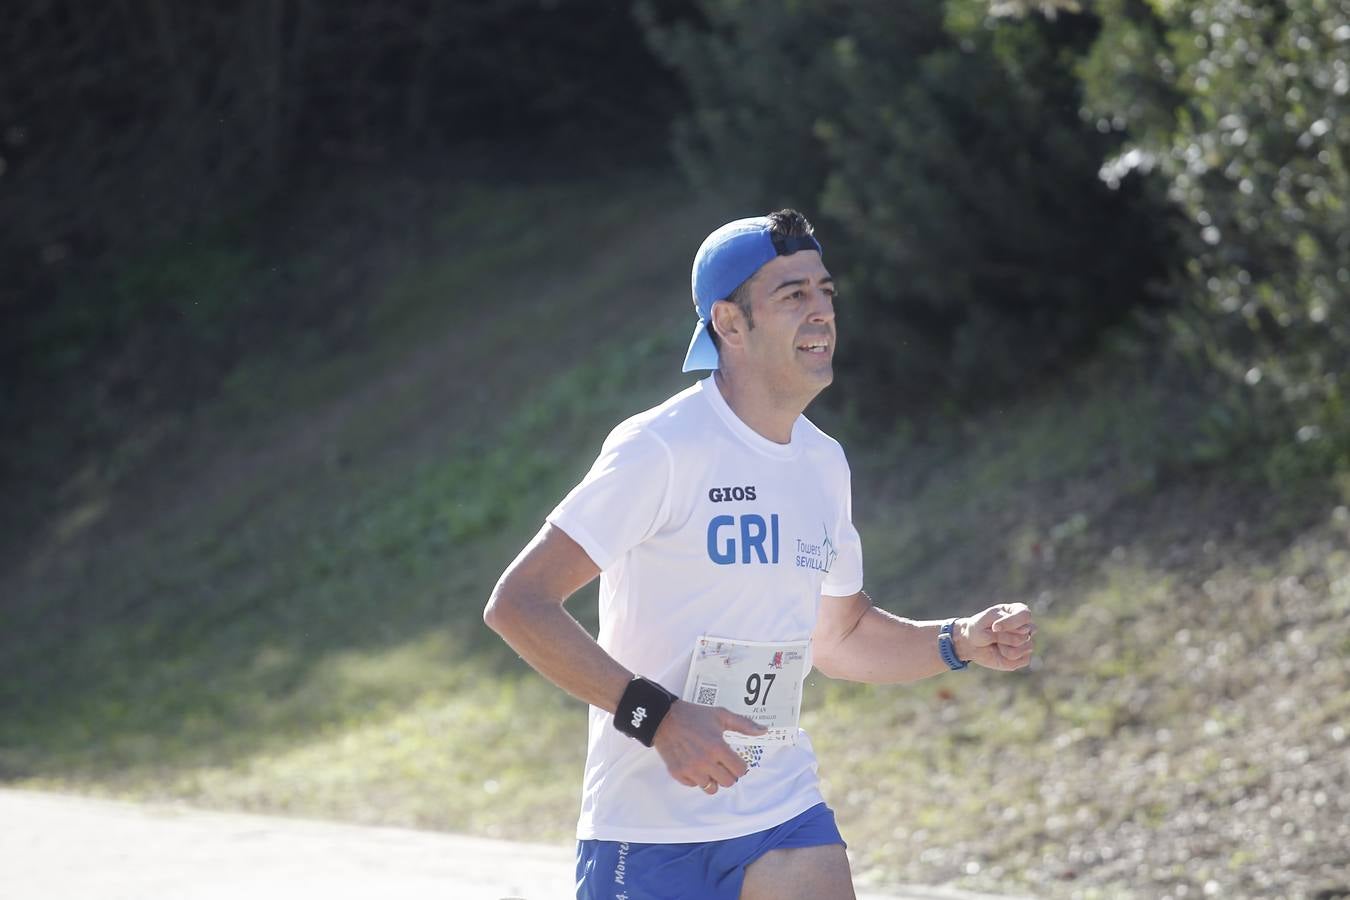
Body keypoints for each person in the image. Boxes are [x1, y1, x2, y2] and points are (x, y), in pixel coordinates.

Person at [483, 210, 1036, 900]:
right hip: (651, 830)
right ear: (730, 322)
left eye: (826, 292)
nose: (822, 312)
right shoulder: (662, 447)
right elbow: (519, 605)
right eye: (793, 295)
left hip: (779, 809)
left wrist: (959, 641)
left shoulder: (823, 463)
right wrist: (656, 718)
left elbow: (840, 637)